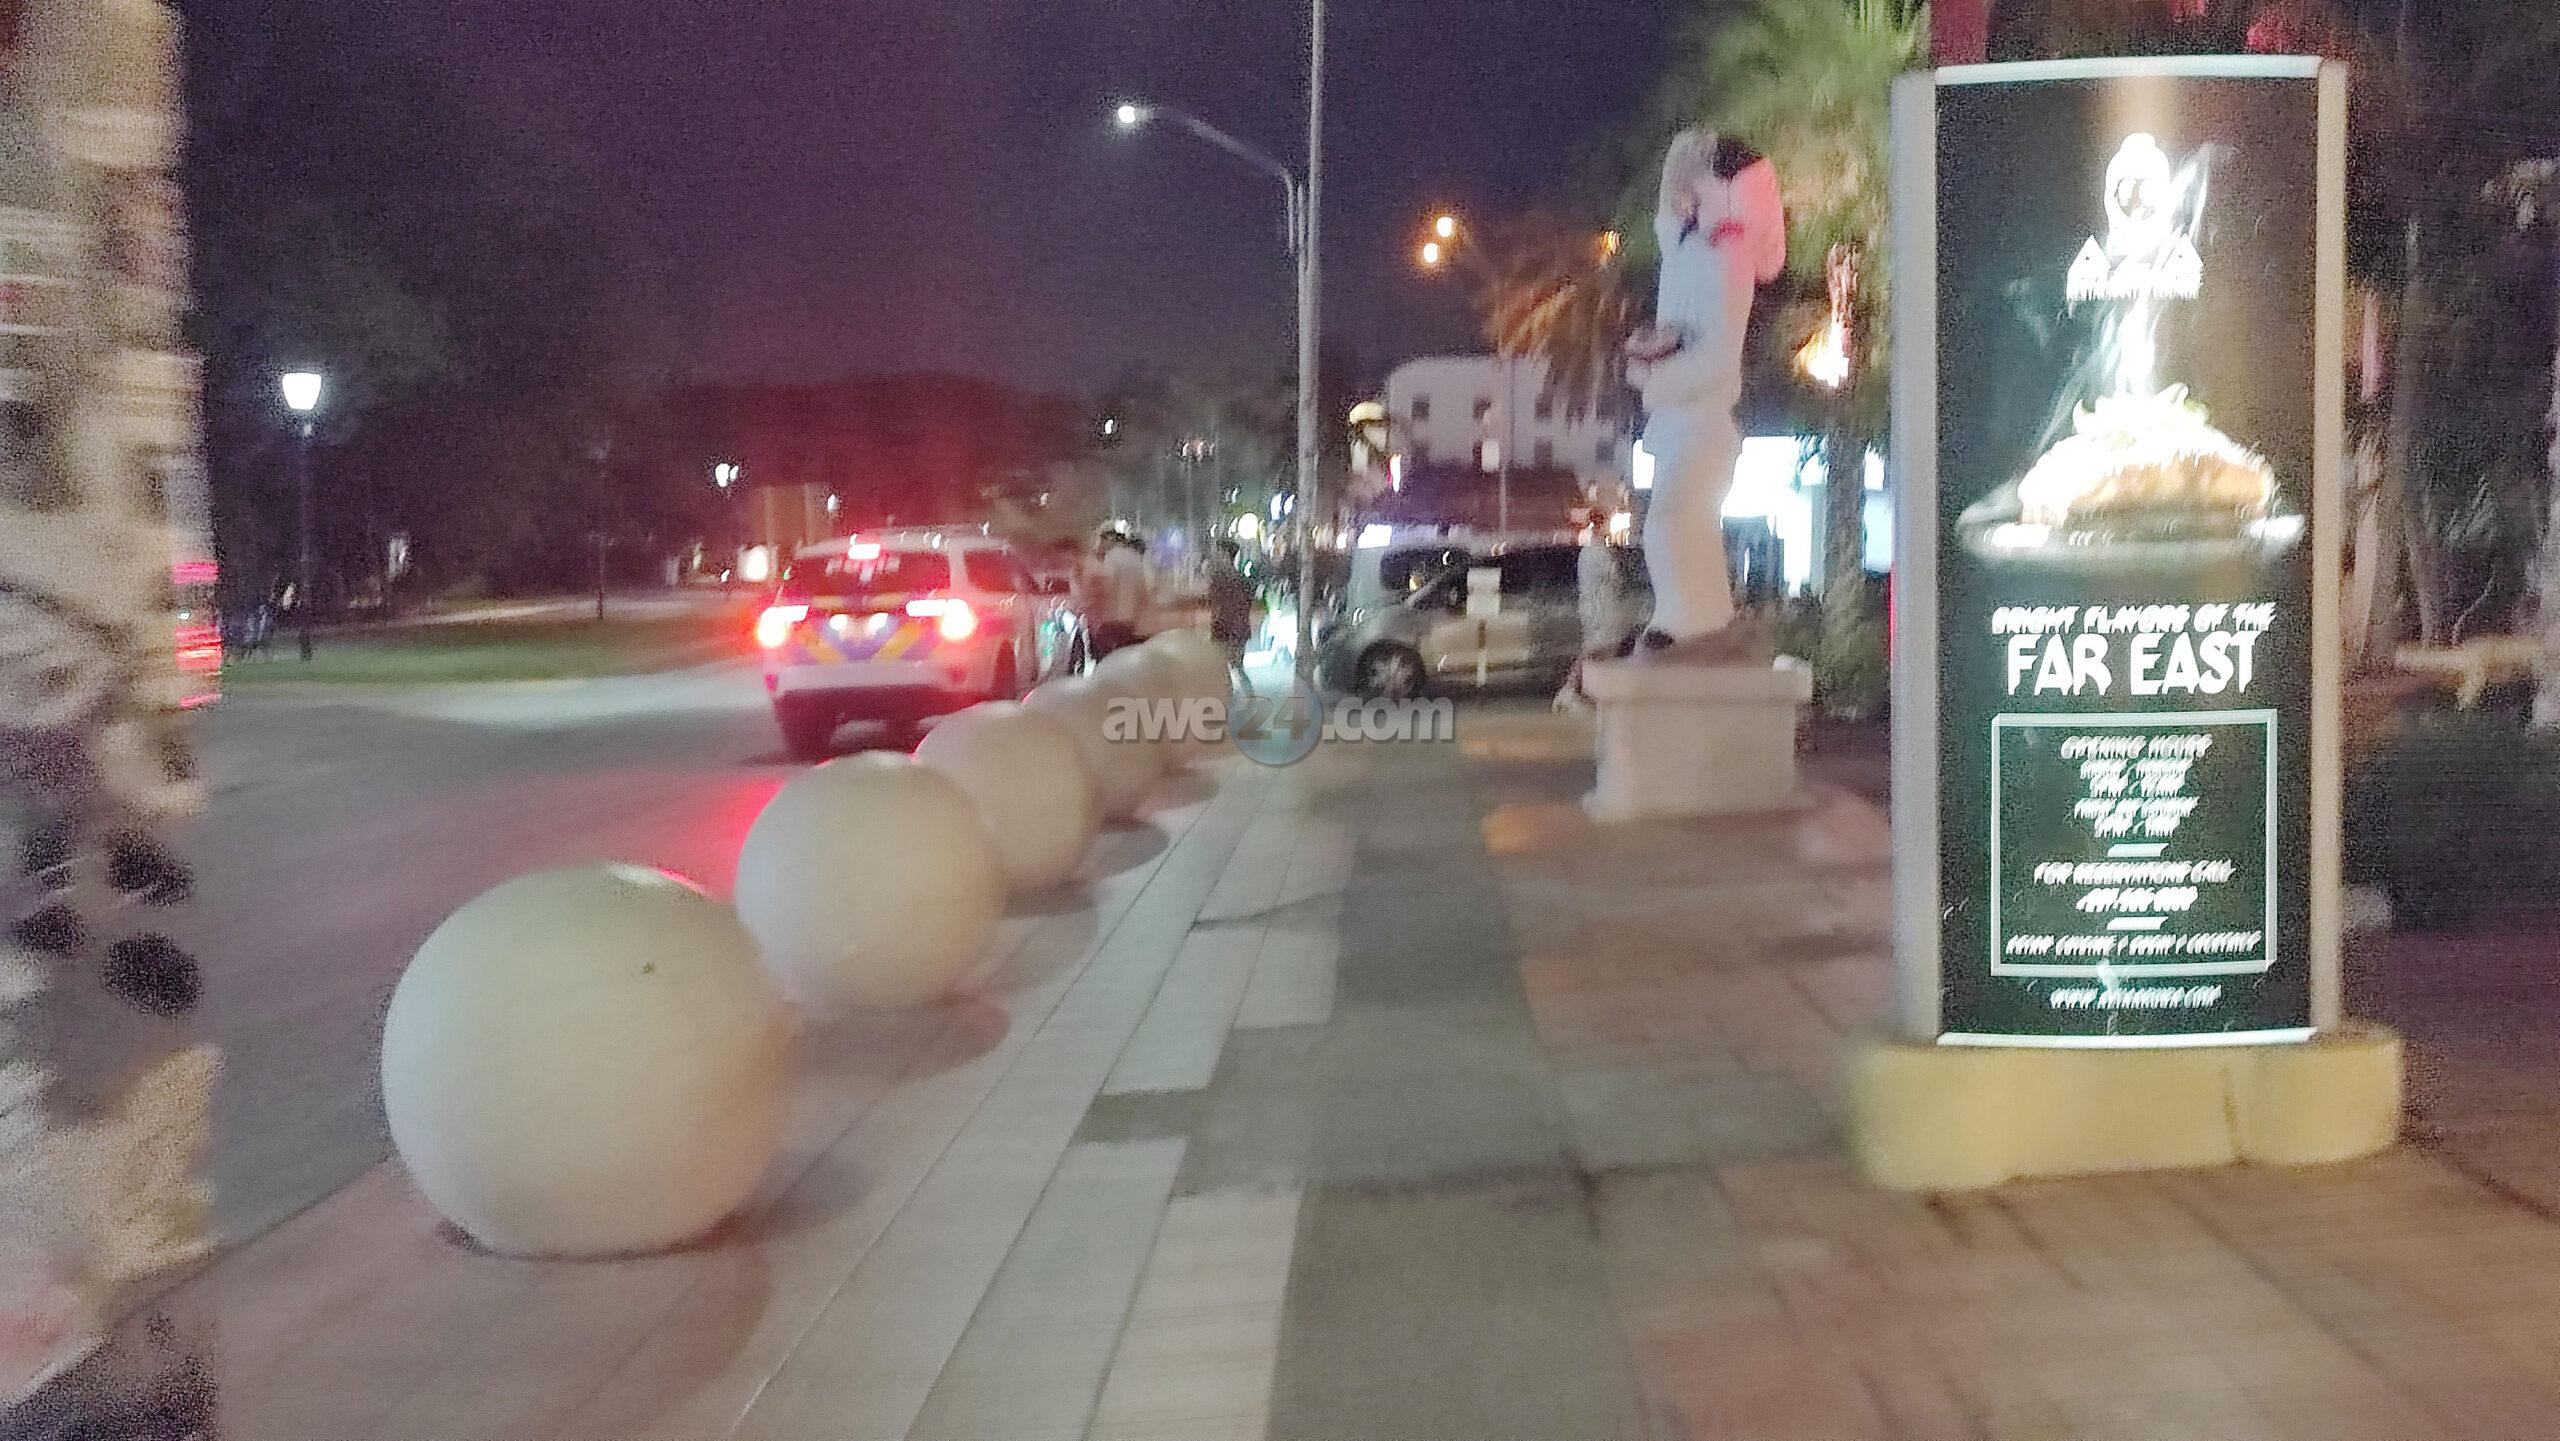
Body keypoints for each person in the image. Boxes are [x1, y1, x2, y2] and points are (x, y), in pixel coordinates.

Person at [1083, 527, 1148, 659]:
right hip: (1130, 622)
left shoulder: (1109, 558)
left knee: (1107, 661)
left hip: (1110, 621)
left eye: (1101, 540)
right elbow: (1144, 590)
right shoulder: (1136, 558)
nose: (1100, 545)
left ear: (1109, 539)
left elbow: (1105, 587)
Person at [1206, 539, 1258, 696]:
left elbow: (1216, 603)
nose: (1215, 555)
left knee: (1225, 667)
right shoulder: (1237, 579)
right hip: (1234, 629)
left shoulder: (1223, 578)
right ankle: (1244, 696)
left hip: (1228, 629)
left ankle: (1234, 697)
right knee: (1232, 667)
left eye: (1218, 552)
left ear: (1226, 555)